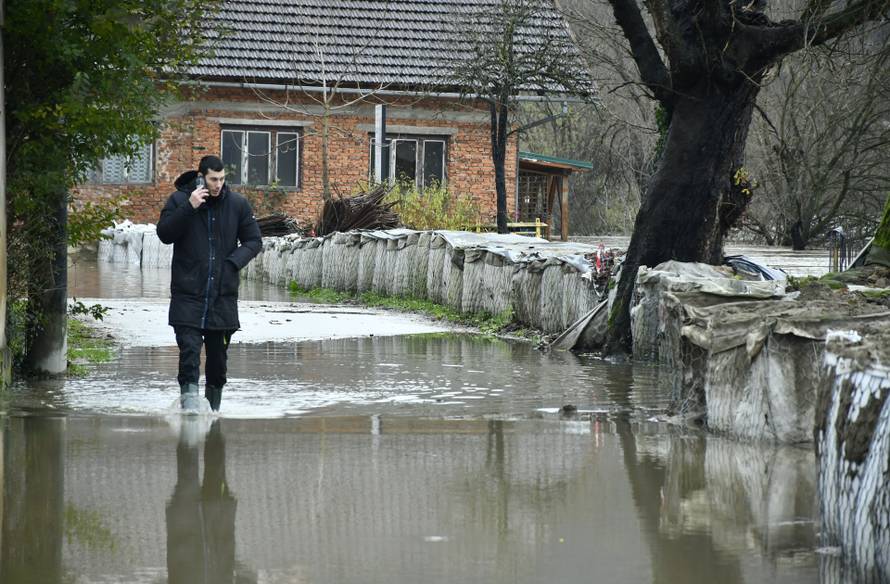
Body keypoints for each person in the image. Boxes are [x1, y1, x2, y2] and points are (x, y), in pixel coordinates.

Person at [157, 155, 262, 412]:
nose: (218, 185)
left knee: (217, 362)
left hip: (221, 296)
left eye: (222, 179)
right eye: (213, 179)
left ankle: (213, 415)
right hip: (187, 294)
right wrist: (189, 207)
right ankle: (190, 413)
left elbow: (254, 241)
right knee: (190, 353)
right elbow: (164, 234)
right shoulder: (180, 200)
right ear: (201, 177)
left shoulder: (237, 205)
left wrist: (232, 263)